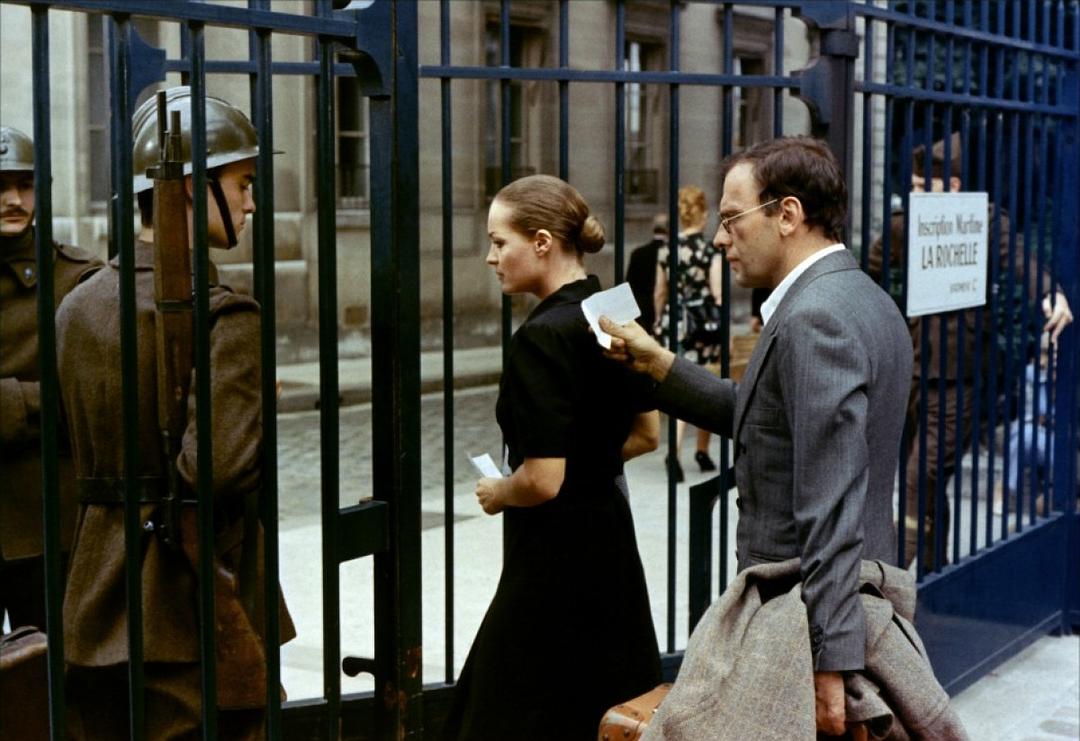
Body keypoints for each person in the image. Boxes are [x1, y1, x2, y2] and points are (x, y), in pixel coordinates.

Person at [601, 136, 913, 737]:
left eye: (732, 219)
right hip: (837, 603)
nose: (721, 239)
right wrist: (660, 364)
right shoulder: (860, 295)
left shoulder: (815, 317)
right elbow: (774, 420)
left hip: (802, 621)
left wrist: (830, 663)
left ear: (787, 214)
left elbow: (830, 501)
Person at [56, 87, 294, 740]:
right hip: (189, 608)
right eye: (243, 183)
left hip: (94, 599)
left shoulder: (76, 305)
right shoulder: (226, 315)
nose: (251, 202)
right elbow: (219, 468)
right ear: (193, 185)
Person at [443, 174, 662, 741]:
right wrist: (584, 460)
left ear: (542, 242)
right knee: (601, 708)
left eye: (499, 242)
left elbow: (541, 480)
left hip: (551, 559)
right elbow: (647, 436)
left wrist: (499, 491)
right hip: (610, 546)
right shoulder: (613, 310)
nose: (490, 257)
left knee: (501, 714)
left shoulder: (541, 337)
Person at [867, 133, 1073, 571]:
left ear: (954, 187)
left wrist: (1050, 293)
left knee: (918, 476)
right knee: (927, 485)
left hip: (959, 378)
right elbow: (868, 273)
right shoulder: (906, 224)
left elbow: (1019, 259)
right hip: (910, 371)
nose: (915, 195)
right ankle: (936, 575)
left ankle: (887, 582)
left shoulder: (983, 221)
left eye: (924, 188)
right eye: (913, 187)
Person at [0, 125, 101, 631]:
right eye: (0, 187)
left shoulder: (78, 278)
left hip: (46, 525)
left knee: (52, 667)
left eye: (25, 185)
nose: (13, 200)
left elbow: (96, 399)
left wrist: (9, 407)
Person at [653, 185, 723, 480]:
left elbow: (660, 292)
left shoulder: (666, 249)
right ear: (703, 215)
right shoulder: (709, 250)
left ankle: (675, 450)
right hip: (701, 324)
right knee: (706, 385)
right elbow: (718, 294)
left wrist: (659, 320)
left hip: (674, 323)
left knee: (679, 385)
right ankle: (702, 451)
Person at [625, 212, 667, 332]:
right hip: (664, 308)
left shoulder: (638, 253)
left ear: (653, 228)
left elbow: (629, 286)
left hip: (642, 310)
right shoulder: (670, 254)